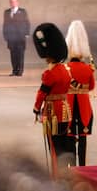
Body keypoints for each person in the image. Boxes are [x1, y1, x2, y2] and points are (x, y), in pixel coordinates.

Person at [33, 22, 76, 171]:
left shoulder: (50, 74)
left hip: (52, 113)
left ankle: (58, 174)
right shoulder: (65, 70)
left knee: (54, 146)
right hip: (64, 109)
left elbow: (42, 93)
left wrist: (36, 108)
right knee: (64, 144)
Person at [62, 21, 96, 166]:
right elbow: (91, 87)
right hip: (84, 108)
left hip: (68, 108)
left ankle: (72, 166)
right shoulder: (88, 68)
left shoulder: (65, 68)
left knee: (69, 138)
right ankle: (83, 166)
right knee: (82, 139)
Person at [2, 0, 29, 76]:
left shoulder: (22, 11)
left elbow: (27, 22)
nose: (13, 4)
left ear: (17, 3)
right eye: (11, 2)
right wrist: (5, 35)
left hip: (20, 37)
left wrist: (27, 33)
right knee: (13, 55)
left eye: (14, 2)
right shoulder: (7, 12)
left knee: (20, 54)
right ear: (10, 3)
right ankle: (14, 70)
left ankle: (20, 71)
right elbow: (5, 24)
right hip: (11, 38)